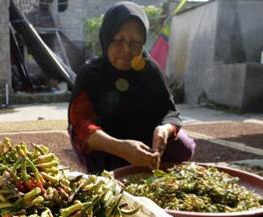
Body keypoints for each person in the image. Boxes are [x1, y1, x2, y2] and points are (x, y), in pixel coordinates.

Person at [68, 1, 196, 174]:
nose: (127, 49)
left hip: (141, 135)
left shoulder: (149, 69)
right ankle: (116, 159)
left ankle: (140, 157)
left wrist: (164, 130)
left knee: (183, 146)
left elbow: (169, 111)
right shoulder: (91, 74)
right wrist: (120, 147)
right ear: (106, 39)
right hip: (106, 140)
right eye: (118, 40)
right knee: (113, 169)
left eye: (136, 42)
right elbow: (81, 123)